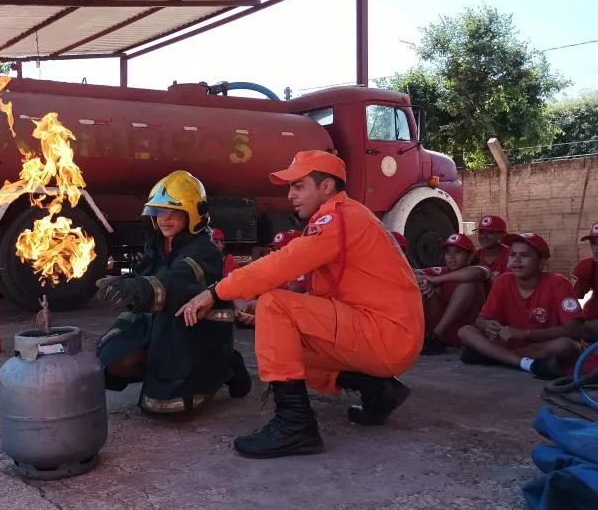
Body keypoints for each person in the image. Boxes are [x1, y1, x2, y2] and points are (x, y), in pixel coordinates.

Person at [176, 150, 423, 458]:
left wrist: (214, 292)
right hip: (386, 334)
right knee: (281, 340)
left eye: (299, 186)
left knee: (275, 306)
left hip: (387, 335)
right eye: (290, 187)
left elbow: (282, 263)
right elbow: (330, 299)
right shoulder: (347, 216)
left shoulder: (339, 216)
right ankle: (378, 389)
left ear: (327, 187)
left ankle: (295, 425)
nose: (290, 195)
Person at [95, 170, 252, 418]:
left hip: (195, 329)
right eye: (157, 212)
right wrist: (122, 286)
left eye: (171, 212)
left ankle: (226, 365)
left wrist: (136, 289)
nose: (162, 220)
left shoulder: (205, 250)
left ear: (192, 213)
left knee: (169, 406)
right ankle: (160, 365)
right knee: (114, 359)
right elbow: (145, 276)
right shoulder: (157, 243)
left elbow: (177, 284)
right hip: (162, 323)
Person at [457, 232, 584, 379]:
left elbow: (575, 331)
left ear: (541, 262)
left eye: (524, 255)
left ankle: (493, 356)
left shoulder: (558, 282)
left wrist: (524, 333)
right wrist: (487, 325)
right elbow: (480, 320)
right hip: (512, 344)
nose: (516, 259)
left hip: (543, 345)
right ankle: (529, 364)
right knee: (465, 331)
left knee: (567, 345)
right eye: (512, 254)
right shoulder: (503, 281)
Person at [417, 233, 490, 355]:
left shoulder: (478, 269)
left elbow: (478, 272)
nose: (451, 257)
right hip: (440, 331)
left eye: (457, 252)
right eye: (447, 253)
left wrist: (436, 280)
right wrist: (422, 279)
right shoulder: (442, 271)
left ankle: (436, 336)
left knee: (468, 284)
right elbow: (412, 272)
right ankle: (424, 336)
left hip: (465, 332)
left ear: (470, 256)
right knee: (425, 286)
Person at [476, 215, 510, 281]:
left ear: (503, 234)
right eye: (481, 232)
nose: (483, 236)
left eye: (490, 232)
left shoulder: (511, 255)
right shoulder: (475, 255)